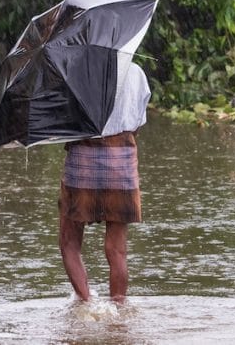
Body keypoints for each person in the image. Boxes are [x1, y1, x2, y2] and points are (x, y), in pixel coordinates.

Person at [58, 62, 150, 303]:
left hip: (82, 159)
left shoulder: (76, 70)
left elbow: (63, 121)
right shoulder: (136, 72)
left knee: (69, 241)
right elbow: (138, 122)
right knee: (117, 250)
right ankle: (118, 311)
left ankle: (86, 303)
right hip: (122, 161)